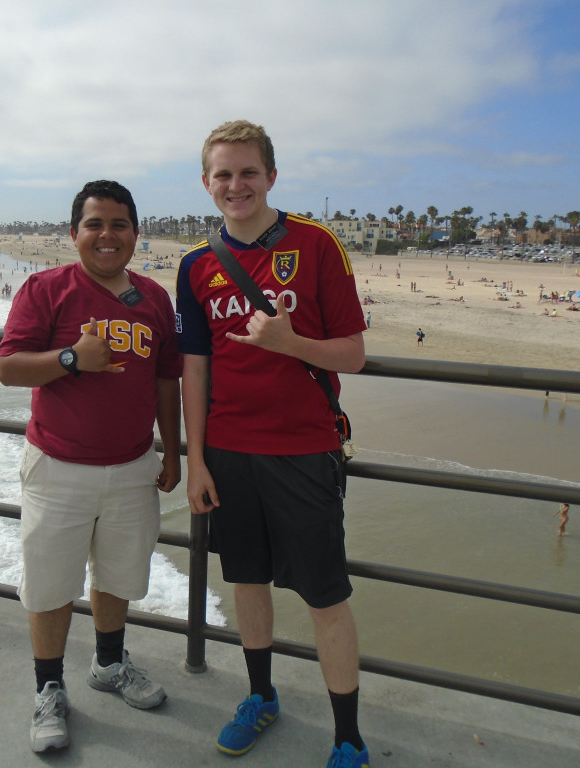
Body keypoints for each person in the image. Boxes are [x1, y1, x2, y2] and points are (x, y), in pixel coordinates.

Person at [176, 120, 369, 768]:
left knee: (325, 596)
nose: (236, 185)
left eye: (248, 172)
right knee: (248, 582)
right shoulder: (197, 265)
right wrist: (196, 458)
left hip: (303, 449)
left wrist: (292, 344)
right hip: (229, 454)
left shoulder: (316, 245)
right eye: (223, 175)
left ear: (271, 177)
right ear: (207, 184)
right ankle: (261, 696)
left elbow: (353, 353)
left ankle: (347, 736)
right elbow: (194, 368)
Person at [0, 180, 182, 753]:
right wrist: (73, 358)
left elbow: (165, 380)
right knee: (52, 585)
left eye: (119, 225)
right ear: (74, 232)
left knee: (118, 575)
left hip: (132, 467)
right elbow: (9, 368)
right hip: (58, 465)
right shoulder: (45, 288)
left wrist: (171, 449)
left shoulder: (153, 298)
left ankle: (109, 664)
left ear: (135, 233)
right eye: (95, 224)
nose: (108, 236)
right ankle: (49, 688)